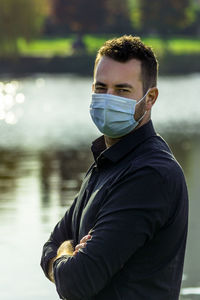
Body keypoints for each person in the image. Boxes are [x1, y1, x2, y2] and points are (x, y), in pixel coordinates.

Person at [40, 35, 188, 300]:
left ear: (150, 97)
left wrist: (64, 254)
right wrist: (64, 255)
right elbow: (50, 246)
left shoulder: (151, 175)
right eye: (100, 88)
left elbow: (77, 282)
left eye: (122, 90)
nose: (108, 99)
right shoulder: (108, 163)